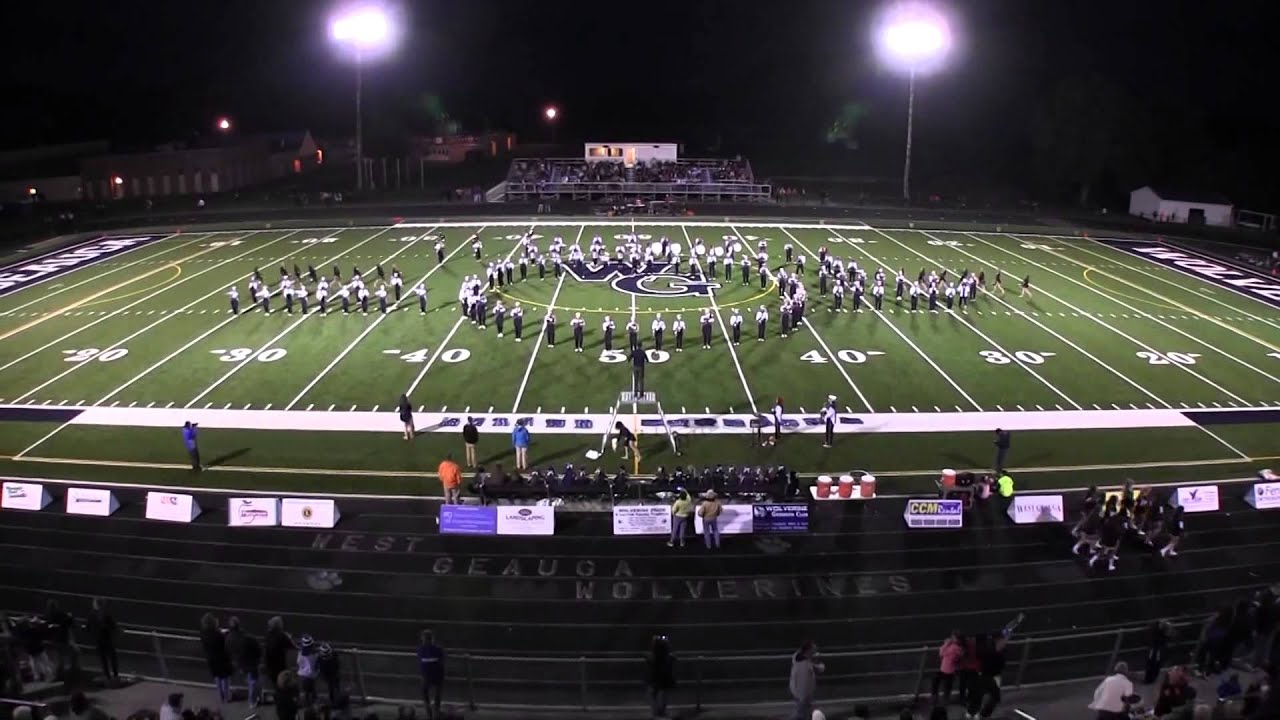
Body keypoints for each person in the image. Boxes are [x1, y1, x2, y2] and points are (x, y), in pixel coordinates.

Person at [225, 616, 262, 707]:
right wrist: (258, 658)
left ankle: (253, 699)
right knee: (253, 681)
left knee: (250, 680)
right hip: (251, 663)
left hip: (240, 663)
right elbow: (258, 649)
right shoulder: (247, 638)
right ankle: (252, 701)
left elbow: (228, 650)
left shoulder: (229, 638)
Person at [199, 613, 232, 703]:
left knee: (217, 677)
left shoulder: (203, 633)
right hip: (221, 659)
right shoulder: (218, 635)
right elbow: (223, 644)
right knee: (224, 678)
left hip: (211, 659)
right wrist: (223, 634)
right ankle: (226, 697)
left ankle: (221, 695)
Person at [86, 598, 119, 686]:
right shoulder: (106, 614)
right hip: (108, 640)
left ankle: (108, 678)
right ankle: (115, 676)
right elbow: (113, 626)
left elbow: (88, 628)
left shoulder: (91, 615)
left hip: (98, 641)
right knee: (113, 658)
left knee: (103, 661)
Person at [789, 641, 824, 720]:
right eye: (813, 650)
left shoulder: (802, 661)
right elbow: (803, 682)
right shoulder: (803, 665)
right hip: (803, 695)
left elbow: (812, 666)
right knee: (801, 715)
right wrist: (803, 697)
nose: (815, 652)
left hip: (802, 695)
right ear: (808, 650)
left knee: (803, 714)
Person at [263, 616, 295, 702]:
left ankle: (279, 699)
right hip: (279, 665)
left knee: (276, 684)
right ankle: (284, 700)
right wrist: (289, 637)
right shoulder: (281, 636)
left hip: (270, 665)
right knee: (284, 683)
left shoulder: (268, 635)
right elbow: (292, 646)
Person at [645, 635, 675, 719]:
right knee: (663, 693)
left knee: (654, 693)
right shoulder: (667, 656)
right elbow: (673, 659)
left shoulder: (653, 656)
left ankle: (657, 711)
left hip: (656, 678)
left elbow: (648, 660)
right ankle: (661, 711)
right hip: (663, 677)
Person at [417, 630, 445, 720]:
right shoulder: (438, 649)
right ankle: (436, 713)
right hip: (437, 675)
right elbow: (442, 661)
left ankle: (429, 714)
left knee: (424, 693)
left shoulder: (420, 649)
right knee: (437, 694)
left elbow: (420, 662)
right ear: (432, 639)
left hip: (426, 676)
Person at [932, 631, 963, 706]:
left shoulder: (958, 648)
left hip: (950, 671)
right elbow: (941, 653)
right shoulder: (949, 645)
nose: (952, 639)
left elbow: (957, 657)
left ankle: (945, 700)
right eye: (952, 637)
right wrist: (946, 644)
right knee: (935, 682)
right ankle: (935, 696)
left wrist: (950, 648)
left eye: (954, 638)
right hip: (943, 669)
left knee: (947, 687)